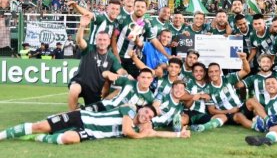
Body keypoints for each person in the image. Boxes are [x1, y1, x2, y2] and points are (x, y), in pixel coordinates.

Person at [0, 105, 190, 145]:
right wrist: (140, 135)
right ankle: (3, 135)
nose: (147, 116)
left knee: (68, 139)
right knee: (40, 125)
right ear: (141, 109)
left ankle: (37, 138)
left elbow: (156, 134)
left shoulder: (141, 127)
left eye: (150, 117)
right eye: (147, 112)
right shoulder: (129, 110)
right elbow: (126, 130)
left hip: (90, 133)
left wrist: (178, 135)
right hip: (81, 117)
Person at [68, 14, 126, 110]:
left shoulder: (111, 57)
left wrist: (125, 76)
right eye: (99, 40)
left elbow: (121, 72)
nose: (102, 42)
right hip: (80, 82)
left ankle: (82, 109)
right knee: (74, 89)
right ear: (96, 40)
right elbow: (79, 41)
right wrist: (82, 26)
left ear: (109, 42)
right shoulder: (90, 48)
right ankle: (73, 115)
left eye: (104, 40)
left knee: (93, 112)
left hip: (95, 90)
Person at [194, 52, 254, 132]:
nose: (214, 73)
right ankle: (258, 127)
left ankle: (267, 120)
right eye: (211, 72)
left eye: (216, 71)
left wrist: (244, 59)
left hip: (241, 107)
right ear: (208, 74)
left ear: (220, 72)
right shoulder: (207, 89)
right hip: (229, 114)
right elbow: (212, 111)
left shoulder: (228, 78)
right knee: (239, 116)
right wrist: (229, 111)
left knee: (251, 101)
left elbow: (246, 71)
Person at [82, 68, 155, 112]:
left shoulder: (150, 97)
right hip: (108, 106)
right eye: (143, 77)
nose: (145, 80)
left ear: (152, 79)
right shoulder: (128, 81)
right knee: (81, 112)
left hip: (120, 116)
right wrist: (108, 74)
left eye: (148, 78)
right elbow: (107, 75)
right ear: (138, 78)